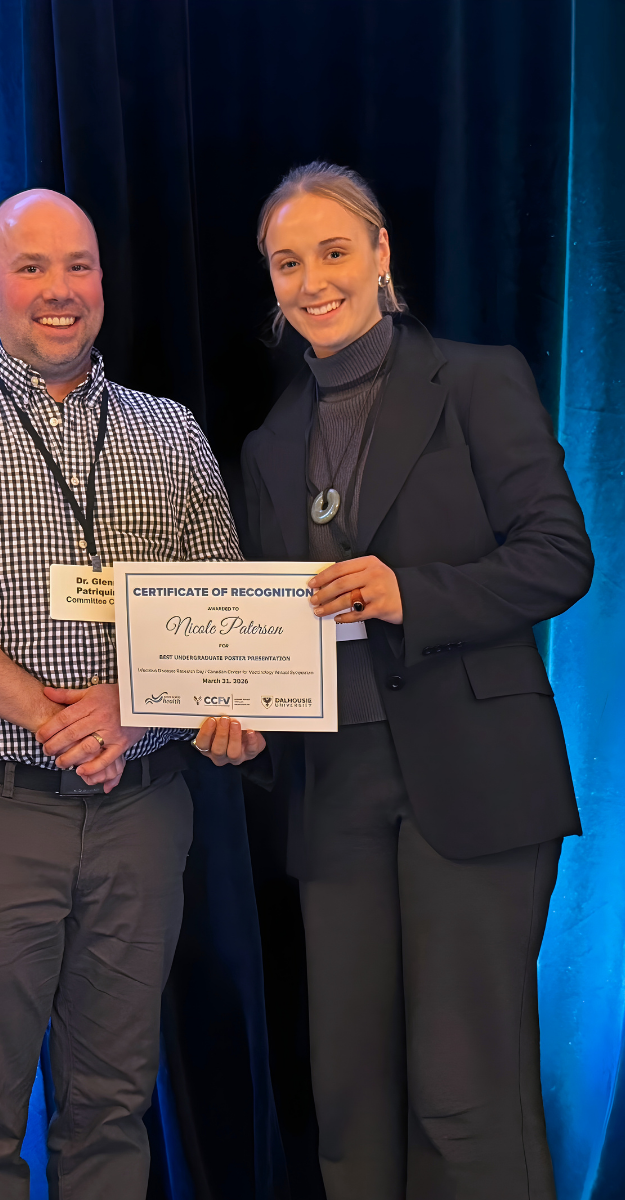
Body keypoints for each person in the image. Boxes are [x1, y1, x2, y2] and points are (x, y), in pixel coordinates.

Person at [193, 162, 593, 1200]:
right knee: (351, 1104)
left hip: (474, 784)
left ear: (379, 255)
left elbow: (560, 556)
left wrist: (408, 591)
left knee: (465, 1097)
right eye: (288, 262)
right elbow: (273, 631)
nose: (311, 279)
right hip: (338, 794)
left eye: (332, 251)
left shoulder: (474, 379)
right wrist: (242, 722)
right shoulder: (269, 443)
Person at [0, 189, 249, 1199]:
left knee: (113, 1106)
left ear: (101, 286)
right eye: (30, 269)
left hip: (141, 817)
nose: (58, 290)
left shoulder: (170, 434)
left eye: (76, 266)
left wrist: (157, 709)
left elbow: (227, 618)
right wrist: (53, 716)